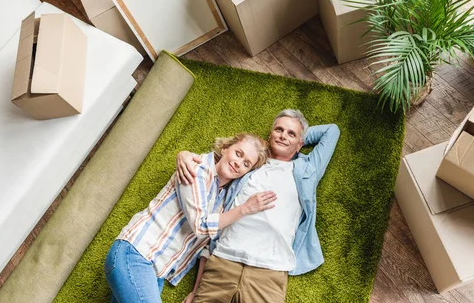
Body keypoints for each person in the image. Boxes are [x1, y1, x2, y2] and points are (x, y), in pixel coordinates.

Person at [176, 110, 340, 302]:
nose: (283, 135)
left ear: (300, 144)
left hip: (269, 272)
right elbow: (214, 209)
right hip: (224, 260)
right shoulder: (249, 165)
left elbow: (332, 131)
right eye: (279, 130)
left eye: (291, 133)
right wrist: (184, 154)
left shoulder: (307, 170)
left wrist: (298, 138)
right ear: (270, 134)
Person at [105, 133, 275, 303]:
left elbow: (207, 246)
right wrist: (245, 209)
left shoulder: (223, 200)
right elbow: (200, 225)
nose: (238, 163)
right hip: (136, 253)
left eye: (246, 164)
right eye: (238, 153)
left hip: (155, 272)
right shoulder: (196, 169)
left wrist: (196, 291)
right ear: (224, 149)